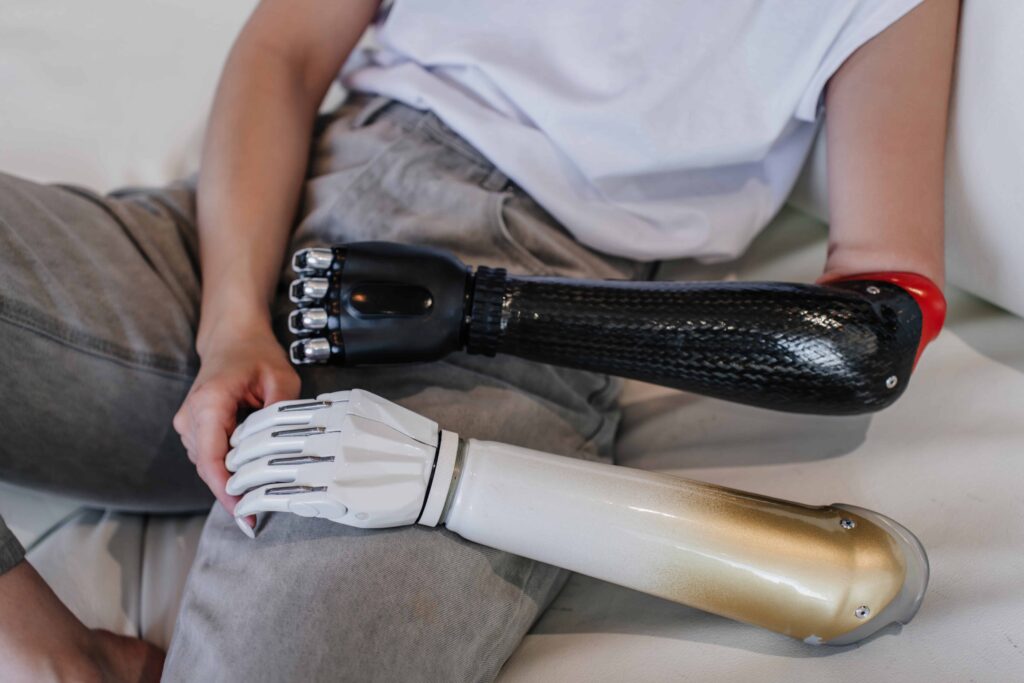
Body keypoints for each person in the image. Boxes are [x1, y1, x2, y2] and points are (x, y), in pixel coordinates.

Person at [0, 1, 959, 680]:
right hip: (270, 216)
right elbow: (285, 50)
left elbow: (874, 329)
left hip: (529, 310)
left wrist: (483, 317)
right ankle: (52, 655)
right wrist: (231, 325)